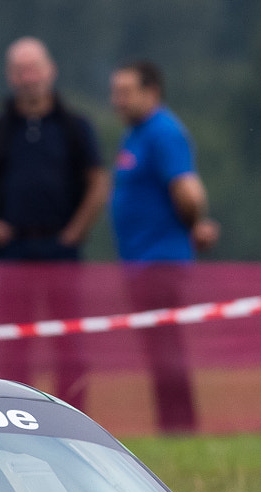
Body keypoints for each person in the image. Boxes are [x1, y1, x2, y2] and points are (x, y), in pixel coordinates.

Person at [108, 61, 211, 433]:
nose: (116, 100)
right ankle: (172, 424)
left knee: (167, 349)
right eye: (115, 92)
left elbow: (188, 190)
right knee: (157, 350)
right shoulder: (135, 133)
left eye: (125, 92)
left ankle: (180, 426)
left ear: (151, 93)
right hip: (140, 260)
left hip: (161, 260)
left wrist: (193, 224)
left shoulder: (163, 132)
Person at [0, 38, 107, 262]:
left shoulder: (75, 127)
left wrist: (78, 229)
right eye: (21, 71)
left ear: (51, 70)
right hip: (10, 250)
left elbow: (98, 180)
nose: (29, 79)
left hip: (62, 249)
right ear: (10, 76)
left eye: (34, 70)